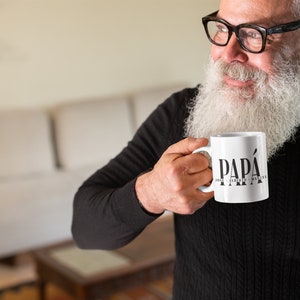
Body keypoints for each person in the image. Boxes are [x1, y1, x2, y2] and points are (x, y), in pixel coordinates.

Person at [72, 0, 300, 298]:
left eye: (254, 34)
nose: (227, 53)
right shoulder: (181, 112)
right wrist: (151, 194)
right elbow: (86, 228)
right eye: (222, 29)